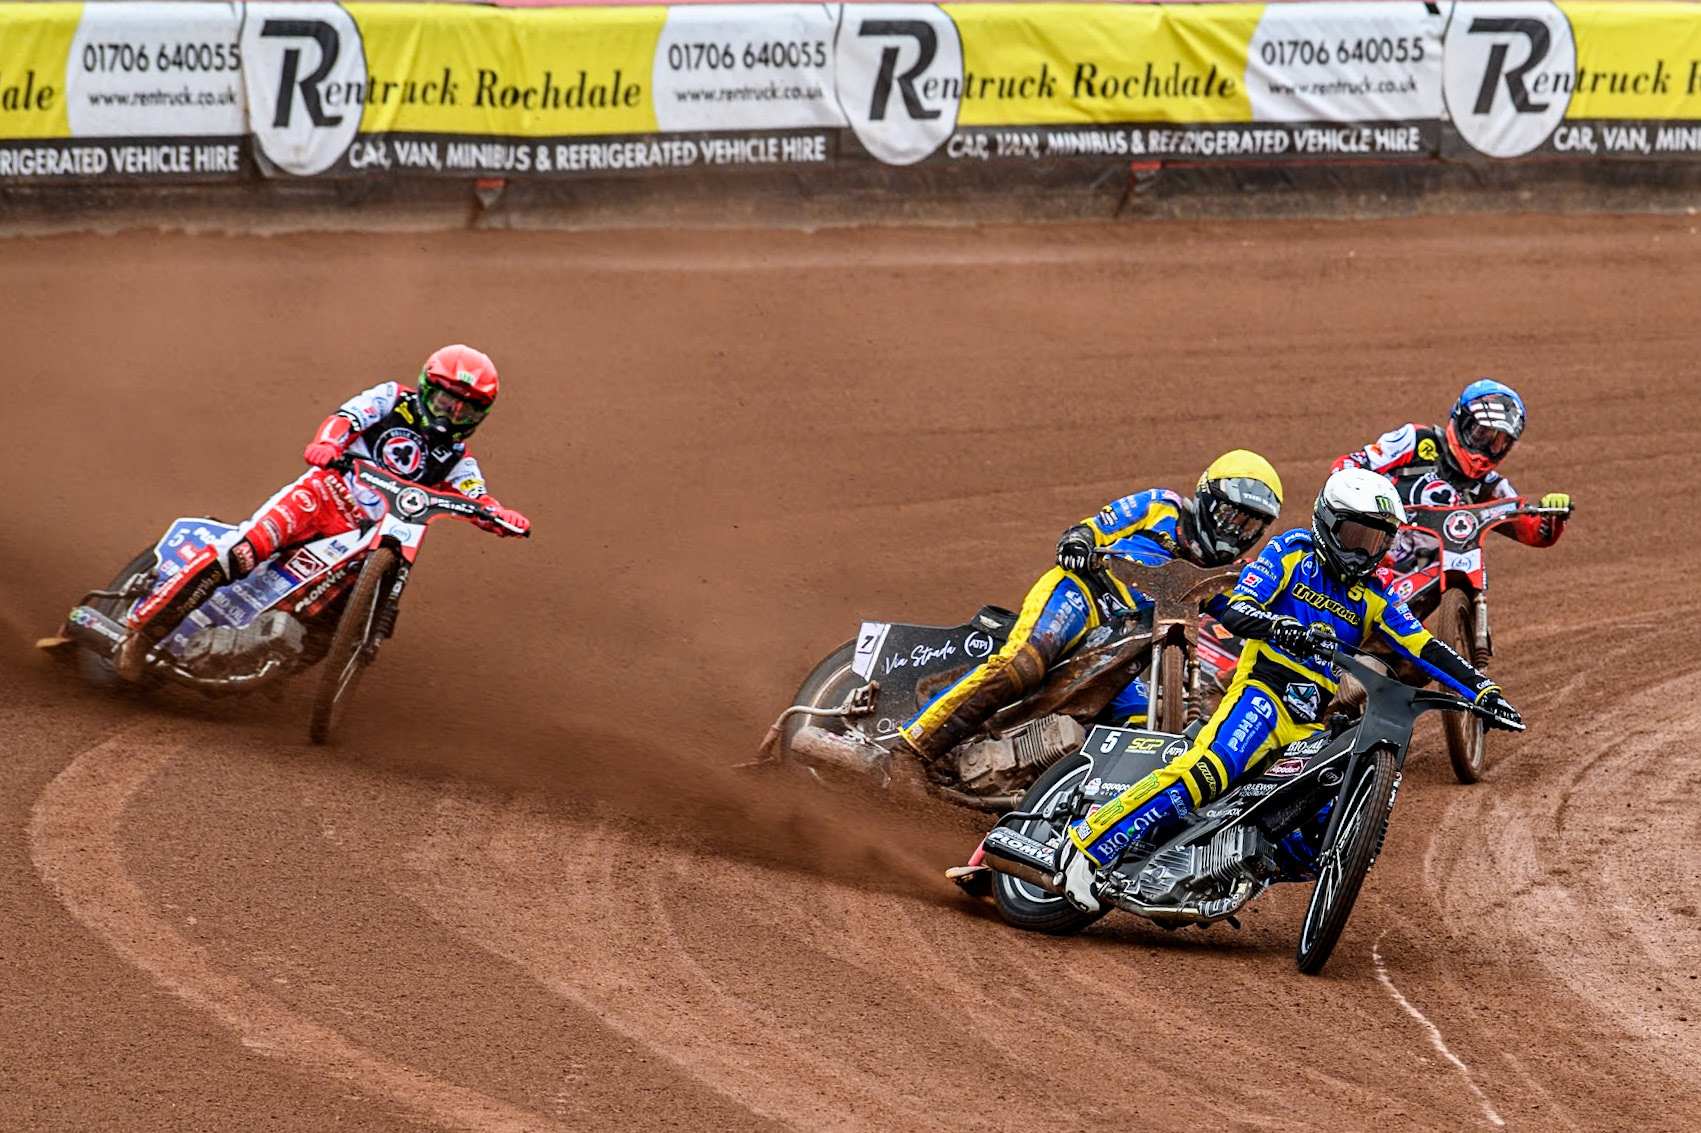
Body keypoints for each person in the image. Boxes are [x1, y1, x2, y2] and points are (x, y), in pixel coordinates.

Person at [1055, 467, 1522, 912]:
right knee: (1212, 769)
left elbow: (1426, 648)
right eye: (1356, 537)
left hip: (1308, 720)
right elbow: (1240, 609)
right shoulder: (1293, 550)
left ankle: (1217, 868)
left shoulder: (1376, 593)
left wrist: (1483, 691)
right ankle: (1087, 847)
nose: (1364, 553)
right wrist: (1284, 629)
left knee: (1322, 827)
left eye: (1377, 540)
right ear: (1327, 522)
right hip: (1263, 690)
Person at [115, 344, 530, 681]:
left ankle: (265, 659)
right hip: (324, 494)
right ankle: (142, 633)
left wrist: (500, 516)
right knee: (242, 551)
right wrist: (329, 444)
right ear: (425, 389)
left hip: (368, 536)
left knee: (332, 616)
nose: (451, 416)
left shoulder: (459, 459)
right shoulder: (390, 398)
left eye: (466, 410)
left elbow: (477, 497)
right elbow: (348, 417)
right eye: (445, 401)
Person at [897, 450, 1284, 779]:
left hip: (1125, 649)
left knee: (1140, 728)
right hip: (1085, 594)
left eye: (1251, 525)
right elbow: (1095, 528)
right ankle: (910, 750)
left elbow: (1244, 613)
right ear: (1206, 499)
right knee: (1024, 664)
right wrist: (1079, 541)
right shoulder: (1161, 506)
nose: (1238, 531)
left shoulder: (1227, 576)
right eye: (1232, 516)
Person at [1332, 380, 1572, 574]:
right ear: (1461, 420)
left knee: (1415, 634)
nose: (1486, 448)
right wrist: (1354, 497)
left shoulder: (1490, 486)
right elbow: (1352, 463)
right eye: (1481, 434)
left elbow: (1533, 531)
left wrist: (1553, 513)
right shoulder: (1416, 439)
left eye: (1498, 442)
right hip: (1369, 551)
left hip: (1422, 575)